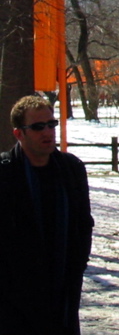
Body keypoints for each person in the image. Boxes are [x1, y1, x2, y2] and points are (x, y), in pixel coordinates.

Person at [1, 95, 94, 334]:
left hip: (63, 290)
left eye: (51, 125)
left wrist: (77, 267)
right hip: (14, 300)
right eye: (38, 127)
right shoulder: (6, 173)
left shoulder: (71, 169)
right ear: (19, 133)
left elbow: (83, 224)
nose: (48, 132)